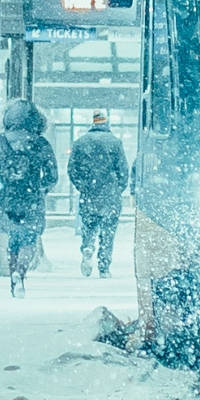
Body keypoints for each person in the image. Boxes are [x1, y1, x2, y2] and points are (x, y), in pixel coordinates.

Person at [0, 100, 56, 296]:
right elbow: (51, 175)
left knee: (13, 239)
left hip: (8, 199)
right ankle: (21, 274)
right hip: (31, 198)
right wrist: (40, 190)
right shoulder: (41, 143)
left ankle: (13, 275)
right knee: (29, 239)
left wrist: (0, 191)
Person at [68, 111, 128, 277]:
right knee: (108, 233)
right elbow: (123, 170)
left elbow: (72, 170)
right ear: (106, 124)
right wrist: (117, 188)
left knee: (89, 226)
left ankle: (87, 246)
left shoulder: (80, 143)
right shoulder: (115, 143)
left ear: (93, 123)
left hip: (89, 194)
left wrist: (83, 186)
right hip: (110, 195)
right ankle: (104, 266)